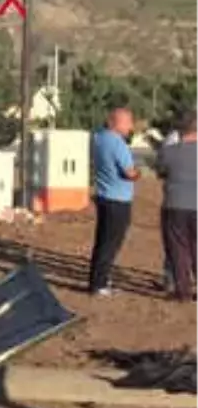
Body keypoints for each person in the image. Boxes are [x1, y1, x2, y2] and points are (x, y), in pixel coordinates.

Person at [87, 106, 141, 296]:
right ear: (116, 123)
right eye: (128, 122)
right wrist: (137, 173)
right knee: (111, 243)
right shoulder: (118, 143)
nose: (131, 126)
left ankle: (98, 279)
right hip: (118, 200)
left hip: (103, 196)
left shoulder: (98, 138)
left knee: (101, 241)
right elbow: (129, 172)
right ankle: (99, 284)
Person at [154, 110, 198, 302]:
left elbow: (161, 172)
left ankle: (183, 291)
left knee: (178, 248)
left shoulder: (169, 152)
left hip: (175, 204)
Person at [159, 126, 181, 293]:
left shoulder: (173, 138)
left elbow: (162, 169)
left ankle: (172, 279)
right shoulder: (174, 137)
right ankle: (171, 278)